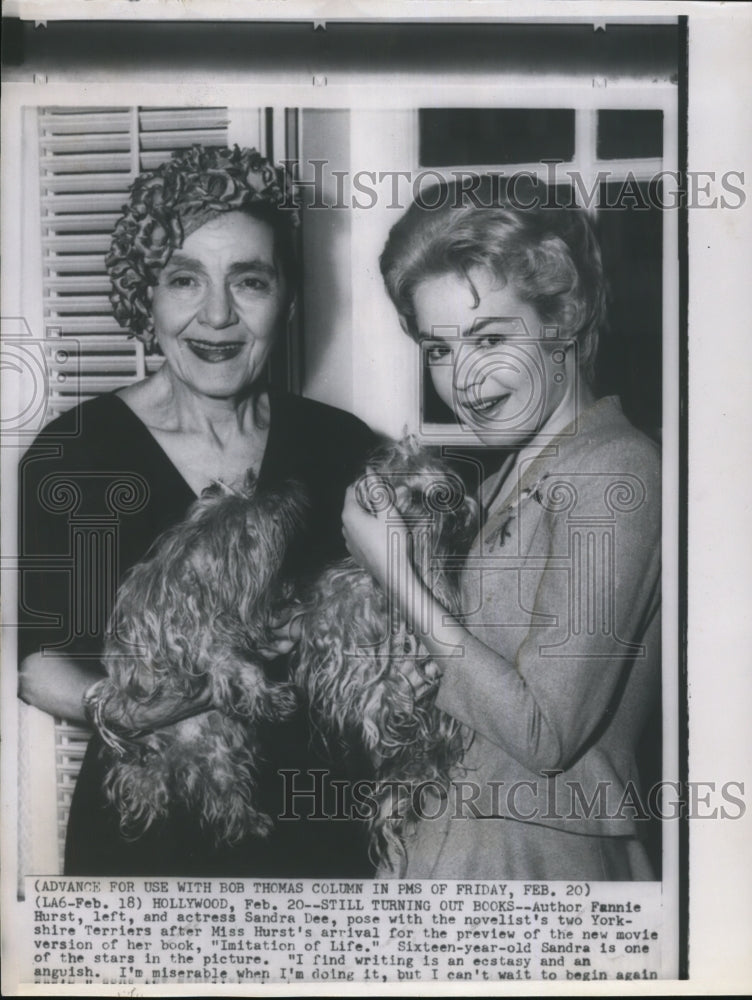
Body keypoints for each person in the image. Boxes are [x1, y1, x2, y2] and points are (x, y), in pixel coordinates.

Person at [18, 145, 377, 876]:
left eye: (249, 281)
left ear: (287, 299)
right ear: (143, 296)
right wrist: (117, 706)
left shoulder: (338, 445)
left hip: (322, 847)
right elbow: (36, 662)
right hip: (149, 847)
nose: (217, 315)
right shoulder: (77, 455)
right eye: (185, 279)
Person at [342, 179, 661, 879]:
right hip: (453, 849)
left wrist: (396, 576)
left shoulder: (620, 471)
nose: (464, 379)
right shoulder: (501, 480)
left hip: (541, 861)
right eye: (438, 349)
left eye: (489, 337)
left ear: (565, 316)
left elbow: (545, 733)